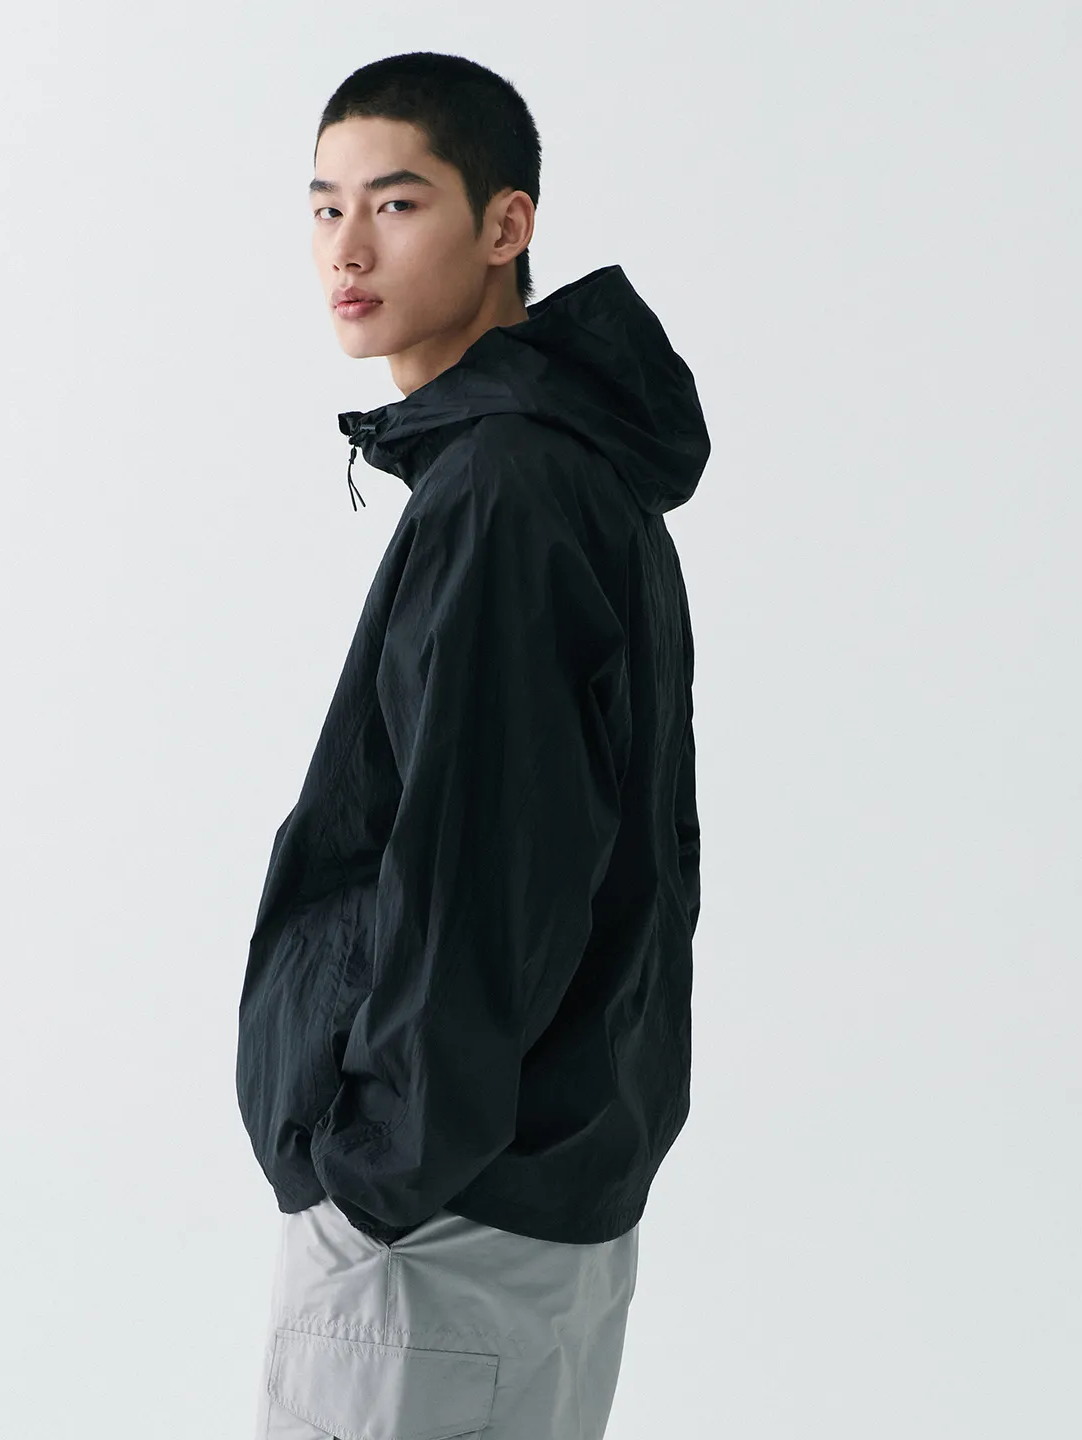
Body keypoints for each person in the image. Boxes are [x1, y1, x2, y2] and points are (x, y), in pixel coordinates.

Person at [237, 49, 711, 1440]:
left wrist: (377, 1171)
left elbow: (482, 868)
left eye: (397, 204)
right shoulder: (564, 468)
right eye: (324, 207)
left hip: (434, 1232)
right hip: (531, 1201)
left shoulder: (506, 490)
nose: (348, 249)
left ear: (507, 225)